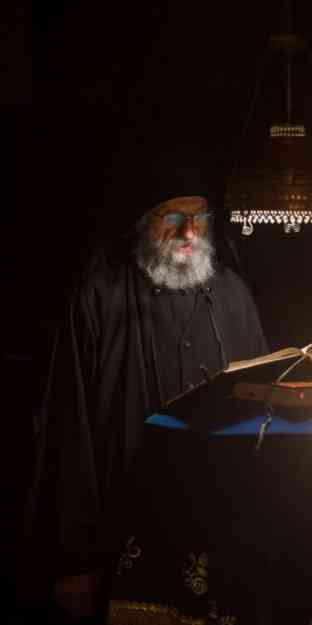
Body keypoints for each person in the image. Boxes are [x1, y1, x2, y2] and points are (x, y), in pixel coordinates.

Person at [27, 173, 269, 623]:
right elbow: (71, 429)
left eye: (198, 218)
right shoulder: (100, 295)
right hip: (124, 535)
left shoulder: (234, 294)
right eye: (173, 218)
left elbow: (259, 412)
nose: (188, 232)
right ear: (142, 222)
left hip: (220, 532)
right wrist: (76, 560)